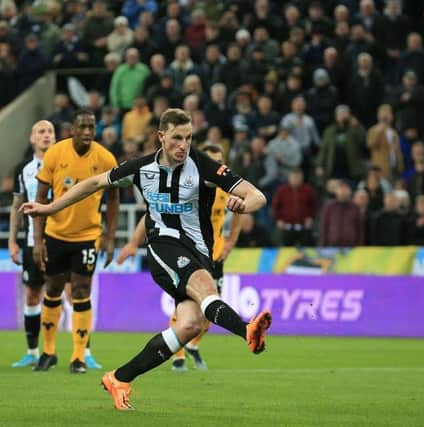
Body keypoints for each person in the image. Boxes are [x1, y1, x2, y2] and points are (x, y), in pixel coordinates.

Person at [22, 109, 271, 410]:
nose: (184, 145)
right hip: (164, 248)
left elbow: (257, 195)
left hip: (198, 253)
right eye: (177, 138)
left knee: (191, 324)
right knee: (207, 290)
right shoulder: (140, 168)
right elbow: (93, 184)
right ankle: (247, 330)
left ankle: (119, 378)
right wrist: (49, 209)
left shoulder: (204, 167)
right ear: (161, 137)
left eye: (189, 138)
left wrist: (243, 205)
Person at [117, 142, 244, 373]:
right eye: (212, 160)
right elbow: (152, 212)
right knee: (191, 306)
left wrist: (231, 241)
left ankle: (192, 345)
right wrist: (134, 243)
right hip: (189, 254)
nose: (216, 165)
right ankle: (177, 355)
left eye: (219, 160)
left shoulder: (225, 189)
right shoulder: (192, 186)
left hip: (214, 256)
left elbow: (240, 213)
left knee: (210, 312)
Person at [30, 110, 118, 373]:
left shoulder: (105, 158)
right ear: (72, 130)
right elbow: (41, 198)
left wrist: (110, 237)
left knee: (81, 290)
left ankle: (78, 356)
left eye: (92, 127)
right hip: (56, 234)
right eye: (83, 127)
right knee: (54, 288)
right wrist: (37, 240)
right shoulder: (56, 154)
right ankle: (48, 352)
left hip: (88, 236)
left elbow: (113, 199)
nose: (88, 132)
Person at [8, 121, 55, 367]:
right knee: (33, 293)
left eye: (50, 132)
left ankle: (81, 353)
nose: (46, 136)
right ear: (32, 138)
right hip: (30, 241)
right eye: (41, 132)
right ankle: (33, 351)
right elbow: (17, 206)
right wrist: (12, 240)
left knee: (70, 292)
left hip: (61, 238)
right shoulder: (24, 170)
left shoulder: (64, 164)